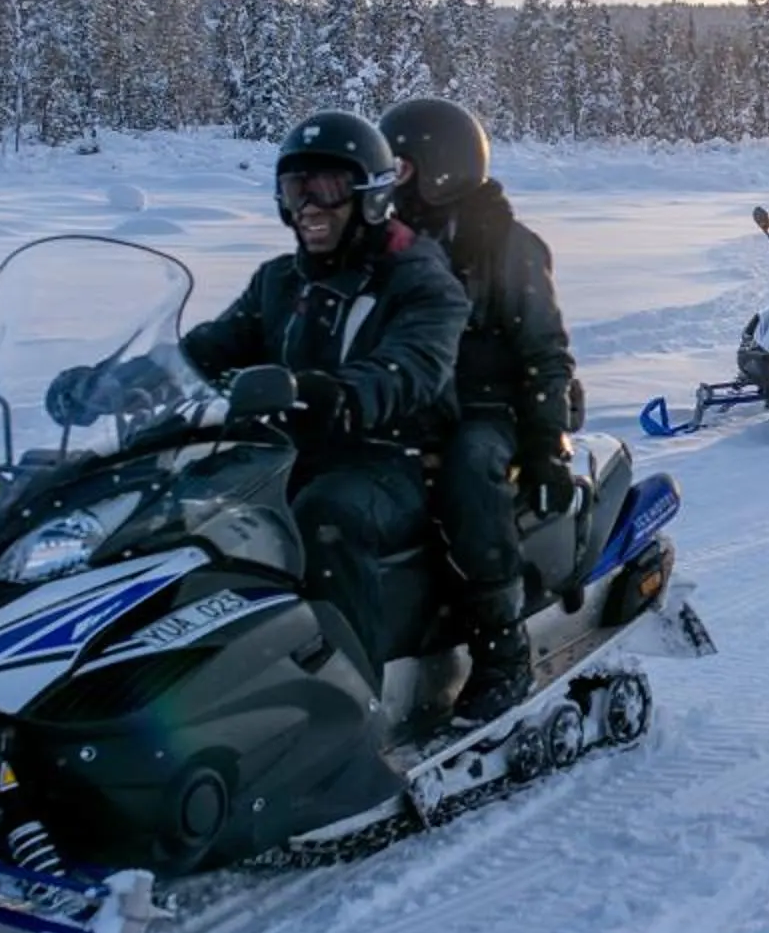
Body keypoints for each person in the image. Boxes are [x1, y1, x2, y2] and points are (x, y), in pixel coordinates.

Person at [176, 109, 469, 678]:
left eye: (328, 187)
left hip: (393, 458)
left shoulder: (419, 279)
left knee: (324, 517)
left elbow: (412, 367)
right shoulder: (279, 281)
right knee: (183, 506)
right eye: (295, 188)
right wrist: (125, 379)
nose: (309, 206)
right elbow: (211, 346)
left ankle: (354, 700)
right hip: (288, 452)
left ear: (370, 195)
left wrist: (340, 395)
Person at [380, 96, 578, 726]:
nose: (392, 181)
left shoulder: (507, 245)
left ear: (440, 167)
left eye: (401, 168)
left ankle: (502, 653)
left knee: (467, 471)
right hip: (414, 407)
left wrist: (546, 444)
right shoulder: (389, 242)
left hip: (495, 409)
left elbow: (545, 350)